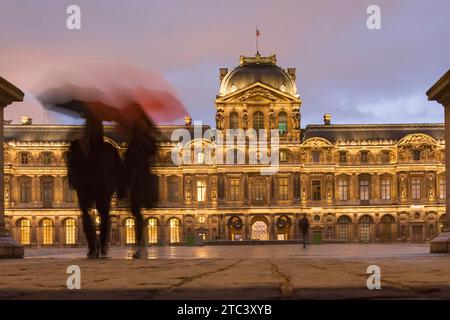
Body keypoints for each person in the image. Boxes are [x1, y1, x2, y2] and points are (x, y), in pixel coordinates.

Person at [68, 115, 122, 258]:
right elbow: (119, 170)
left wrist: (75, 183)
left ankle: (96, 246)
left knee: (89, 216)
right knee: (101, 216)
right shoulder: (107, 148)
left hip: (93, 186)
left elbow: (72, 168)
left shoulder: (79, 146)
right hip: (96, 186)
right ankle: (99, 246)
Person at [118, 115, 159, 259]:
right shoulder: (138, 141)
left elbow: (151, 150)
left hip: (142, 180)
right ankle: (141, 243)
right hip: (138, 180)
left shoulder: (143, 141)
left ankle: (141, 243)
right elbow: (127, 166)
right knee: (136, 212)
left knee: (137, 212)